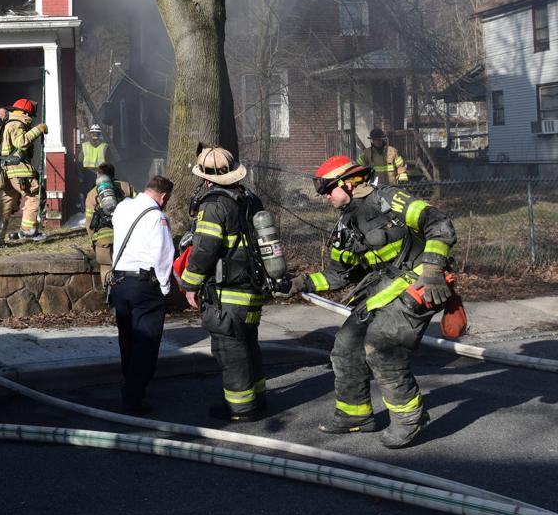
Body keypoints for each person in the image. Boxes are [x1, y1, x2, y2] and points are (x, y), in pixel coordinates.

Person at [276, 155, 457, 448]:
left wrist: (434, 267)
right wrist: (301, 283)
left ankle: (409, 419)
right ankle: (355, 415)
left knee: (382, 346)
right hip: (383, 287)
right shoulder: (345, 225)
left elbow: (438, 222)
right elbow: (338, 275)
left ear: (348, 183)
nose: (326, 198)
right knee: (346, 345)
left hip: (422, 282)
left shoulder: (390, 199)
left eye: (328, 190)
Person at [178, 145, 269, 423]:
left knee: (231, 350)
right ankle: (258, 398)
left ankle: (241, 409)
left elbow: (204, 250)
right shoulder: (250, 199)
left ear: (206, 178)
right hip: (252, 288)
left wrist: (189, 285)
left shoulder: (214, 204)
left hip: (228, 292)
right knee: (248, 344)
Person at [107, 175, 174, 414]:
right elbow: (163, 255)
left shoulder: (123, 207)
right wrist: (165, 288)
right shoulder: (158, 217)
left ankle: (130, 385)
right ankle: (133, 397)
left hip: (120, 283)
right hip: (145, 287)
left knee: (127, 339)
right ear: (163, 196)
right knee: (146, 343)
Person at [0, 98, 48, 247]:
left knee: (6, 202)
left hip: (6, 170)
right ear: (24, 112)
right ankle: (28, 230)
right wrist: (38, 129)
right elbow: (20, 142)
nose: (30, 119)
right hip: (18, 168)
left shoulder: (8, 123)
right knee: (34, 194)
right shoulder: (16, 123)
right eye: (30, 114)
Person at [84, 162, 137, 287]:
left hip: (103, 239)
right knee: (126, 266)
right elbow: (138, 207)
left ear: (98, 175)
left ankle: (109, 295)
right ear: (113, 174)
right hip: (125, 236)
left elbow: (89, 222)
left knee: (106, 267)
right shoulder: (126, 186)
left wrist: (94, 240)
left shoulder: (92, 194)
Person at [78, 124, 110, 202]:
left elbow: (79, 161)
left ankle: (89, 210)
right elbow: (110, 162)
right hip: (100, 174)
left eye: (95, 133)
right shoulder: (105, 146)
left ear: (90, 134)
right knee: (101, 194)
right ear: (100, 134)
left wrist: (80, 176)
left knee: (89, 195)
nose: (95, 135)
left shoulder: (84, 146)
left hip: (88, 175)